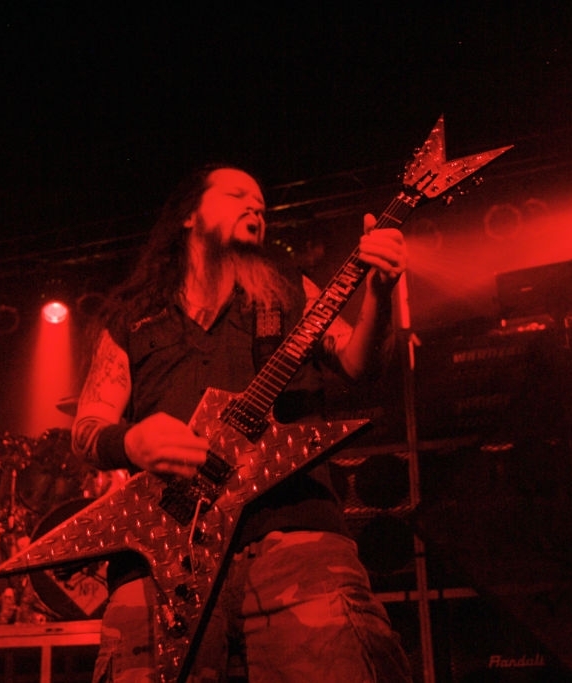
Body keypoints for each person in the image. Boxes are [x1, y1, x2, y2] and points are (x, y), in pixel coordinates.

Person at [71, 164, 413, 682]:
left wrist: (381, 294)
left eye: (262, 203)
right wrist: (132, 441)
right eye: (237, 195)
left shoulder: (289, 292)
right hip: (162, 556)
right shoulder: (131, 316)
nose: (256, 207)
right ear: (188, 215)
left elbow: (357, 364)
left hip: (294, 539)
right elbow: (87, 427)